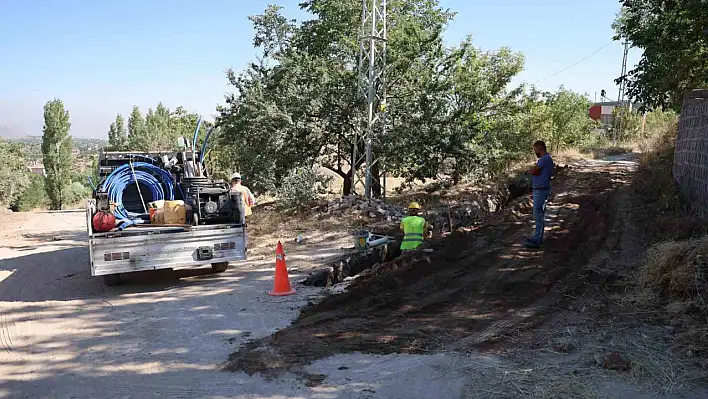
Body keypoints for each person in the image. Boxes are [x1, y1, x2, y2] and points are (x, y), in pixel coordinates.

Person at [525, 140, 554, 248]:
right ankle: (537, 237)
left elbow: (534, 171)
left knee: (538, 215)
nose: (534, 151)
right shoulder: (547, 159)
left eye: (535, 149)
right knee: (539, 214)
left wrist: (533, 169)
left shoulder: (544, 159)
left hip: (541, 190)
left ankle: (537, 239)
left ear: (540, 149)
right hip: (541, 189)